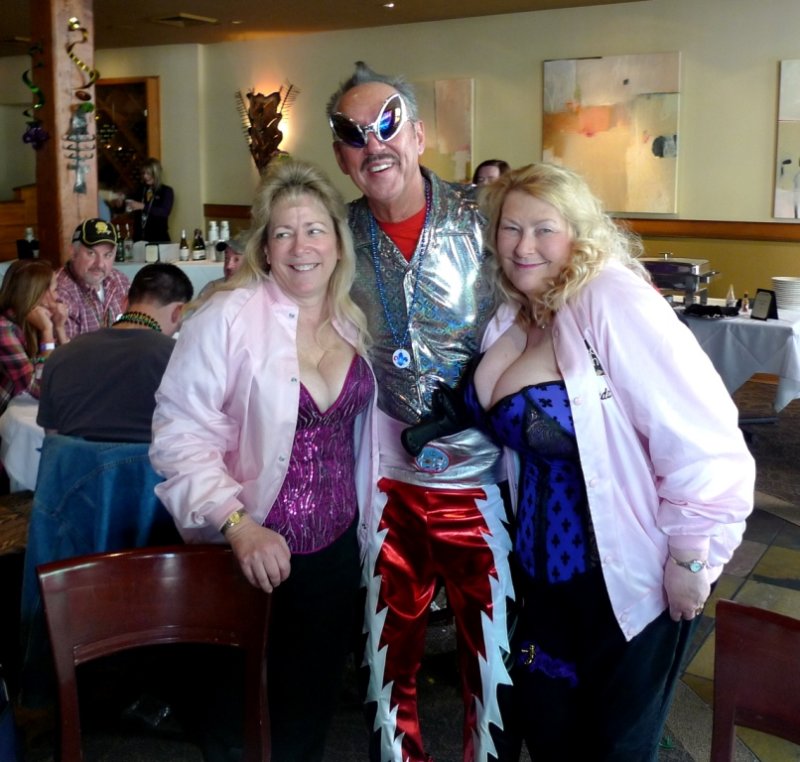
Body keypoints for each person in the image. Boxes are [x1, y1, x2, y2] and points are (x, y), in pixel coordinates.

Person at [467, 162, 755, 760]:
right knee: (549, 734)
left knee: (615, 747)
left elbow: (701, 434)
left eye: (544, 228)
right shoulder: (513, 312)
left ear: (578, 231)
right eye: (510, 228)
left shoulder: (610, 297)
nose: (524, 245)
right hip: (541, 581)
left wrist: (691, 555)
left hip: (628, 576)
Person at [149, 159, 377, 761]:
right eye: (283, 233)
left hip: (334, 552)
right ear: (265, 248)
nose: (301, 247)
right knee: (233, 717)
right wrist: (237, 525)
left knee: (308, 708)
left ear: (336, 239)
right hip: (245, 551)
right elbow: (179, 435)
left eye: (314, 230)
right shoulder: (226, 317)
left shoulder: (356, 319)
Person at [327, 61, 515, 762]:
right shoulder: (333, 235)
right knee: (386, 665)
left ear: (420, 134)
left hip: (487, 478)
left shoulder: (487, 216)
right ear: (342, 156)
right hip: (387, 481)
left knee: (494, 668)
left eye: (388, 124)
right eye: (353, 134)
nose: (374, 145)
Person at [37, 263, 193, 442]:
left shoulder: (60, 356)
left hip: (76, 468)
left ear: (124, 302)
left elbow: (52, 437)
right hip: (147, 468)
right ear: (178, 311)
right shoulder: (180, 358)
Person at [0, 260, 67, 415]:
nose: (57, 297)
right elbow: (41, 390)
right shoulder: (4, 329)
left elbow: (68, 370)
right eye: (55, 289)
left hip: (21, 412)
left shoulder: (32, 321)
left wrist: (60, 328)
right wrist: (48, 332)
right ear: (39, 294)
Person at [56, 218, 130, 339]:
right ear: (73, 253)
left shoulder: (120, 280)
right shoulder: (61, 292)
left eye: (108, 255)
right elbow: (70, 353)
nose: (100, 264)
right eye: (91, 253)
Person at [126, 157, 174, 242]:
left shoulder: (166, 191)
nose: (145, 176)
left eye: (148, 173)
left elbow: (164, 212)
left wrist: (143, 206)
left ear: (156, 174)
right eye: (143, 173)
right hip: (139, 239)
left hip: (159, 239)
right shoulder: (140, 190)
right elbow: (129, 208)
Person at [198, 233, 248, 298]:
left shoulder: (257, 293)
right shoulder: (212, 288)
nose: (229, 266)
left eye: (236, 260)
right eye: (226, 258)